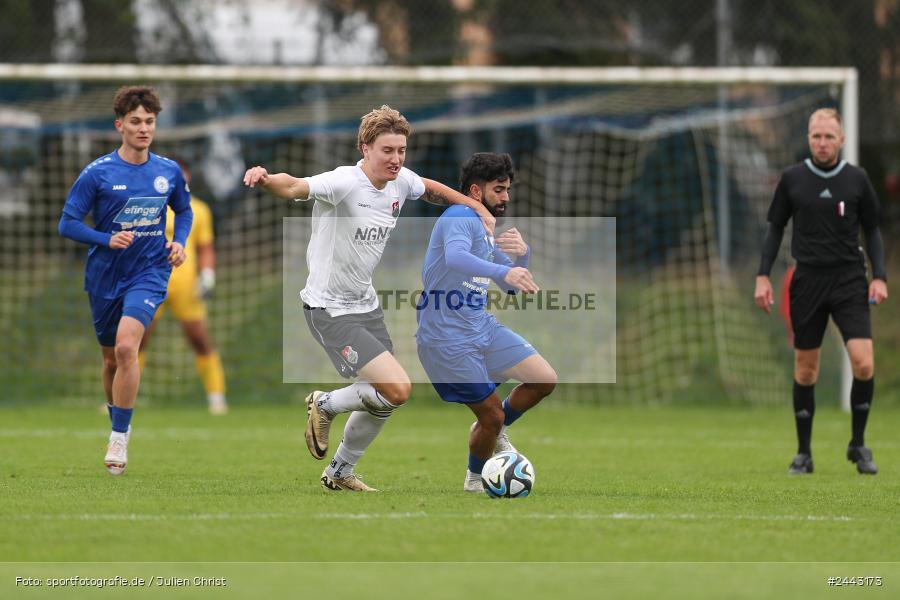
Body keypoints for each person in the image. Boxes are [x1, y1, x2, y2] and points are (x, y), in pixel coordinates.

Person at [243, 105, 495, 492]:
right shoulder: (344, 182)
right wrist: (265, 179)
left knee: (385, 397)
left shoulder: (400, 181)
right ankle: (324, 404)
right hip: (329, 308)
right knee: (397, 388)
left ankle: (340, 472)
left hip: (366, 304)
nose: (396, 159)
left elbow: (429, 188)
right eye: (387, 151)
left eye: (401, 150)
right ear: (365, 148)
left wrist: (474, 205)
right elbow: (294, 186)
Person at [58, 85, 193, 475]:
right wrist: (105, 238)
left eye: (149, 122)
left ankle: (119, 437)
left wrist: (179, 244)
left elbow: (183, 212)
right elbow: (67, 223)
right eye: (135, 121)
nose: (144, 128)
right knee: (109, 359)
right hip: (104, 275)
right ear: (120, 125)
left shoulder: (167, 171)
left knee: (126, 349)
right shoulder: (97, 174)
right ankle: (117, 419)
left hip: (149, 272)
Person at [754, 108, 888, 476]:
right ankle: (803, 454)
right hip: (807, 281)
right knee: (806, 370)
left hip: (848, 281)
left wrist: (880, 277)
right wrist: (762, 276)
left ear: (842, 139)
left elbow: (873, 231)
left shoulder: (857, 180)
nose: (823, 142)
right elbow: (775, 227)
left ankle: (858, 445)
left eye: (829, 136)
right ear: (808, 138)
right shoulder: (793, 179)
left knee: (863, 362)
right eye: (816, 136)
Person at [414, 152, 557, 492]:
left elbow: (509, 286)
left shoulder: (482, 227)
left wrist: (523, 256)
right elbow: (456, 257)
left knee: (544, 379)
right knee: (490, 415)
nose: (506, 197)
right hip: (445, 338)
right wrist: (504, 267)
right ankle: (475, 478)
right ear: (476, 192)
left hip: (481, 327)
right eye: (499, 189)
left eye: (507, 189)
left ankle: (496, 429)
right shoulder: (459, 215)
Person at [138, 158, 228, 415]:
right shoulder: (147, 206)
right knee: (137, 339)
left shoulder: (199, 209)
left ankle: (216, 397)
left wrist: (208, 275)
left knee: (199, 339)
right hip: (150, 281)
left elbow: (205, 246)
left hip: (186, 286)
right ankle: (122, 398)